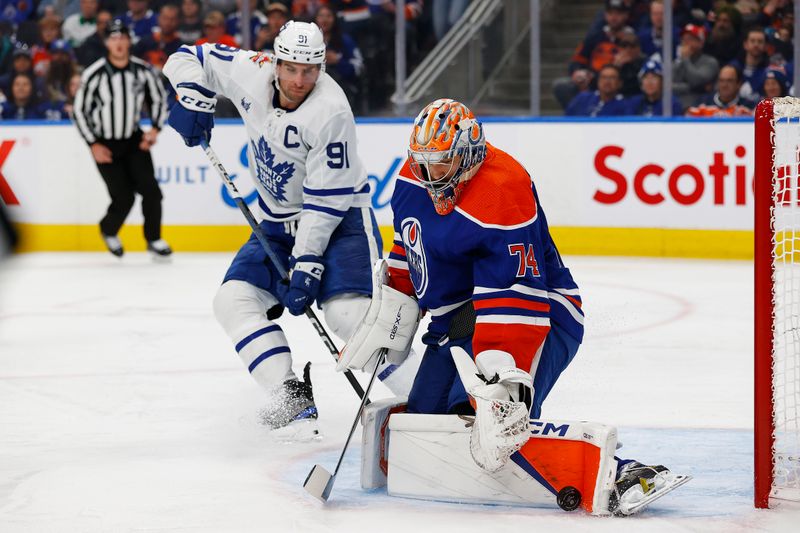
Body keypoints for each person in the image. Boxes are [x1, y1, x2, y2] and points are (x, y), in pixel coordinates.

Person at [336, 97, 683, 515]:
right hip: (461, 319)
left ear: (467, 155)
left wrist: (502, 380)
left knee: (492, 421)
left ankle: (621, 471)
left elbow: (515, 296)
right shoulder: (414, 179)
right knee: (429, 421)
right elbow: (409, 246)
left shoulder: (502, 188)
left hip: (540, 313)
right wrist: (393, 310)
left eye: (442, 164)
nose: (430, 176)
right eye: (423, 163)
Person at [162, 21, 420, 435]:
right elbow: (186, 56)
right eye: (292, 69)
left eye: (310, 70)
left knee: (348, 315)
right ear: (276, 62)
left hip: (340, 220)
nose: (300, 80)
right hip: (277, 220)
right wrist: (193, 97)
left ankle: (432, 403)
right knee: (233, 301)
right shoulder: (249, 69)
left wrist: (307, 263)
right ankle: (290, 398)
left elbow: (325, 202)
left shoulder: (331, 110)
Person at [73, 20, 172, 258]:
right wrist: (93, 144)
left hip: (133, 140)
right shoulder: (94, 73)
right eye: (113, 38)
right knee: (123, 196)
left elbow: (158, 99)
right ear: (107, 42)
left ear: (129, 41)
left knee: (151, 192)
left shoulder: (142, 70)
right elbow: (79, 110)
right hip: (104, 142)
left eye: (122, 38)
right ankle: (108, 229)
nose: (118, 43)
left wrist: (155, 129)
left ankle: (154, 239)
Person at [686, 64, 755, 117]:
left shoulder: (748, 107)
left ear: (738, 84)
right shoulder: (702, 104)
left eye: (729, 81)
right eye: (721, 81)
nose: (724, 85)